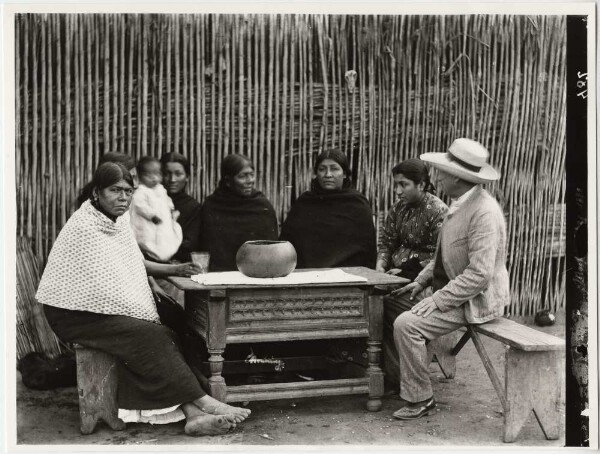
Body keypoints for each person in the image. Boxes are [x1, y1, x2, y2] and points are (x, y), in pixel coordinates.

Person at [36, 162, 250, 435]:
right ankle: (204, 401)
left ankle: (193, 415)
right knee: (154, 335)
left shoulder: (119, 223)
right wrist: (140, 308)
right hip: (74, 313)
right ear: (97, 193)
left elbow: (133, 264)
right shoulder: (85, 226)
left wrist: (173, 271)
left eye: (128, 191)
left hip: (107, 309)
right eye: (115, 190)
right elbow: (95, 288)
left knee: (169, 329)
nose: (123, 198)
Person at [390, 138, 510, 420]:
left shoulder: (484, 212)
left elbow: (479, 276)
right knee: (390, 306)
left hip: (475, 301)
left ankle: (420, 398)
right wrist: (421, 282)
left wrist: (436, 299)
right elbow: (442, 255)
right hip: (452, 292)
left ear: (457, 177)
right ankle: (399, 380)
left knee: (407, 324)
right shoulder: (459, 204)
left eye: (442, 172)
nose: (438, 177)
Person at [375, 159, 448, 385]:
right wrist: (380, 267)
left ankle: (400, 379)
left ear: (422, 184)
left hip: (427, 283)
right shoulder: (398, 209)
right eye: (396, 184)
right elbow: (386, 242)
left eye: (404, 185)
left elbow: (441, 258)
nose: (397, 191)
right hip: (396, 276)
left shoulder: (439, 211)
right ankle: (392, 376)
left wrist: (410, 274)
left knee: (385, 307)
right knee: (374, 302)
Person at [280, 149, 376, 269]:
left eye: (334, 169)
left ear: (345, 174)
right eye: (322, 169)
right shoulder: (304, 203)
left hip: (349, 276)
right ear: (316, 173)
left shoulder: (357, 204)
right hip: (306, 274)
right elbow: (286, 244)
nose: (328, 174)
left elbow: (368, 249)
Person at [199, 153, 278, 272]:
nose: (250, 181)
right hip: (219, 276)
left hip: (256, 274)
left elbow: (271, 248)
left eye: (252, 175)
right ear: (228, 180)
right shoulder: (212, 205)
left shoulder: (261, 206)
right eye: (243, 176)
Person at [129, 156, 183, 262]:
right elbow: (138, 204)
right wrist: (151, 215)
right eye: (148, 175)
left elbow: (167, 200)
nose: (154, 178)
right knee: (148, 240)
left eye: (157, 174)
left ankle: (164, 256)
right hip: (147, 223)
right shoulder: (141, 191)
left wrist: (171, 209)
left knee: (166, 238)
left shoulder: (160, 188)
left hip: (162, 221)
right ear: (140, 176)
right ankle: (151, 257)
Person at [160, 152, 202, 263]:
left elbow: (190, 243)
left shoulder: (193, 207)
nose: (172, 179)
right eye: (167, 174)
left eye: (178, 174)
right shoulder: (150, 203)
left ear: (187, 177)